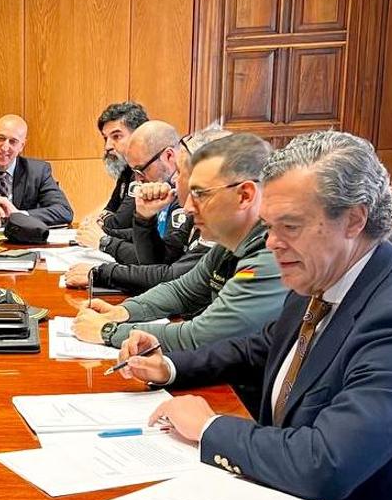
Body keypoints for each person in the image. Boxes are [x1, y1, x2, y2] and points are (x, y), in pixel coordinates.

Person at [116, 130, 392, 500]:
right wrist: (171, 367)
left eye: (289, 226)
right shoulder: (320, 276)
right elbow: (259, 348)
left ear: (354, 219)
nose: (272, 243)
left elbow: (325, 463)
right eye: (269, 226)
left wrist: (209, 428)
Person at [73, 133, 286, 359]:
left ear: (244, 195)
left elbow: (200, 336)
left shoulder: (272, 251)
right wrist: (123, 311)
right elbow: (182, 289)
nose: (188, 208)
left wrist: (109, 332)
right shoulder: (233, 239)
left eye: (200, 194)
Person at [76, 120, 184, 264]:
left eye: (141, 170)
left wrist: (105, 243)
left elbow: (164, 266)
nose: (138, 180)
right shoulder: (161, 185)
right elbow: (149, 245)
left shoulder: (183, 194)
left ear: (169, 156)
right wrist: (103, 231)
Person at [85, 101, 149, 232]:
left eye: (116, 136)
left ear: (139, 136)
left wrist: (101, 221)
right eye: (105, 138)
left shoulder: (145, 172)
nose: (108, 146)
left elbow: (120, 223)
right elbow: (110, 209)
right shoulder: (126, 171)